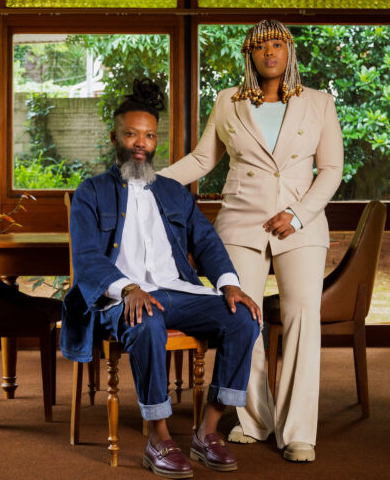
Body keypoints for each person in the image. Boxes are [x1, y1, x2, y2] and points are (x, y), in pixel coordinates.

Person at [158, 19, 344, 463]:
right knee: (243, 315)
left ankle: (299, 432)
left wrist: (297, 214)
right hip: (242, 222)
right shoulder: (228, 101)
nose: (270, 52)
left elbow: (331, 170)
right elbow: (202, 158)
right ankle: (256, 419)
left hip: (300, 224)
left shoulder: (320, 103)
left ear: (289, 50)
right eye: (261, 46)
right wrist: (148, 181)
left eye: (278, 44)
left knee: (302, 317)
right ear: (250, 54)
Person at [60, 78, 262, 479]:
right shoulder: (91, 193)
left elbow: (207, 242)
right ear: (115, 137)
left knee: (244, 317)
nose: (141, 143)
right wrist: (129, 288)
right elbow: (86, 260)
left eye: (149, 135)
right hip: (119, 300)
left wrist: (229, 284)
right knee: (146, 319)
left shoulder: (174, 192)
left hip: (177, 291)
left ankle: (208, 431)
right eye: (131, 134)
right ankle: (159, 437)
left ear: (156, 141)